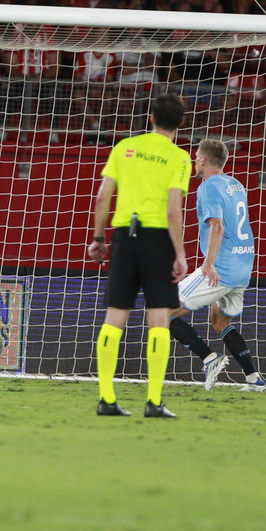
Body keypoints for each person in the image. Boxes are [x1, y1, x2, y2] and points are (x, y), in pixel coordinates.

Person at [85, 91, 192, 418]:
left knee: (115, 316)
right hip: (158, 239)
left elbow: (103, 196)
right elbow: (174, 210)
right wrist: (180, 253)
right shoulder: (179, 158)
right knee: (158, 318)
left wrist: (100, 237)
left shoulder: (124, 147)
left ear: (152, 117)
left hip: (124, 237)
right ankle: (154, 402)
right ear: (181, 123)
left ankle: (106, 398)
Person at [165, 138, 266, 392]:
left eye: (196, 156)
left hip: (222, 267)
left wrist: (208, 263)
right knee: (219, 320)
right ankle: (254, 379)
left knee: (163, 310)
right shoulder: (236, 183)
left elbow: (218, 225)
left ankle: (210, 359)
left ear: (202, 159)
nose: (193, 160)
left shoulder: (208, 186)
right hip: (244, 265)